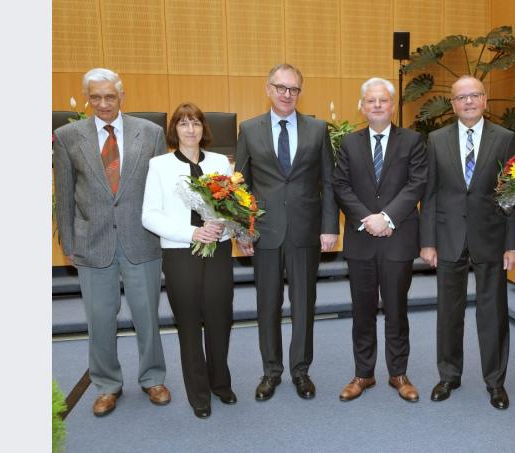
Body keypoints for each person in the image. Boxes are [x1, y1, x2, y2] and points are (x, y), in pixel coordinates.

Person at [53, 68, 170, 416]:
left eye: (110, 96)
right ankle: (106, 385)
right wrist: (68, 242)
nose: (103, 103)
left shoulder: (150, 133)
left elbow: (161, 190)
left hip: (142, 241)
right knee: (100, 319)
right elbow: (64, 195)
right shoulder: (67, 136)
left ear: (122, 96)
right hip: (92, 243)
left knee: (147, 315)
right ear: (87, 98)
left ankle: (153, 378)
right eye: (95, 97)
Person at [234, 63, 339, 401]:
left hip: (306, 234)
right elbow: (241, 185)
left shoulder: (318, 129)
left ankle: (301, 371)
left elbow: (329, 182)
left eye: (293, 89)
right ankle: (271, 372)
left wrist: (329, 227)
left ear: (299, 92)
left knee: (304, 305)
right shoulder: (249, 130)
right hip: (264, 233)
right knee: (267, 305)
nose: (287, 94)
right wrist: (242, 229)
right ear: (268, 89)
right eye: (281, 87)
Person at [420, 75, 515, 410]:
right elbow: (430, 194)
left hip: (491, 238)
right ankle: (449, 375)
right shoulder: (435, 140)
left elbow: (513, 194)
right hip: (448, 237)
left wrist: (513, 243)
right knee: (448, 313)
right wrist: (428, 241)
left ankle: (496, 382)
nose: (468, 101)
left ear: (485, 99)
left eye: (474, 95)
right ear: (452, 104)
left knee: (493, 313)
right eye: (461, 97)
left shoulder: (505, 138)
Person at [333, 78, 427, 402]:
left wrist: (386, 218)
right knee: (362, 311)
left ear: (392, 105)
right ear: (361, 106)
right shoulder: (348, 143)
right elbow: (341, 186)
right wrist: (368, 219)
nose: (376, 105)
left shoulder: (413, 141)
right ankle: (363, 374)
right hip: (361, 241)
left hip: (397, 239)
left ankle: (398, 373)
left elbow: (417, 184)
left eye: (383, 100)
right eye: (370, 100)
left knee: (397, 310)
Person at [141, 103, 235, 419]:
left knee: (221, 319)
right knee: (190, 324)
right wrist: (192, 232)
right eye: (183, 124)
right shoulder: (160, 165)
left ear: (203, 128)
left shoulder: (221, 162)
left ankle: (221, 383)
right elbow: (149, 215)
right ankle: (198, 394)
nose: (190, 129)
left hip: (219, 251)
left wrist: (225, 225)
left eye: (195, 123)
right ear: (175, 130)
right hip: (181, 252)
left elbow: (234, 206)